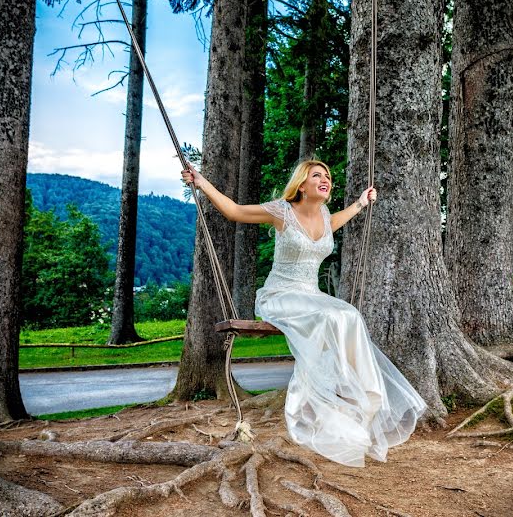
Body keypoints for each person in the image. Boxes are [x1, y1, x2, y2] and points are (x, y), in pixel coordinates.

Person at [182, 159, 426, 467]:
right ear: (301, 184)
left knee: (349, 315)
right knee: (330, 317)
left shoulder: (324, 216)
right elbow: (234, 211)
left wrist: (361, 204)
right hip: (281, 295)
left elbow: (340, 218)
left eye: (328, 175)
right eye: (317, 175)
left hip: (312, 296)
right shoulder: (281, 211)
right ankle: (320, 397)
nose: (325, 179)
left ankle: (356, 395)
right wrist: (200, 182)